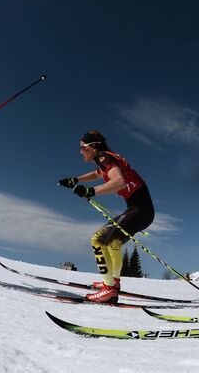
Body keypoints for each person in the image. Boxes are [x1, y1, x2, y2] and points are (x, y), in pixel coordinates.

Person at [57, 130, 155, 303]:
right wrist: (75, 180)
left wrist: (90, 191)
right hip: (140, 211)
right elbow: (97, 174)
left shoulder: (104, 157)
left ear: (94, 147)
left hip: (139, 210)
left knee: (98, 240)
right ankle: (113, 283)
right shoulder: (104, 160)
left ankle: (109, 289)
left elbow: (119, 181)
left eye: (83, 148)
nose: (81, 151)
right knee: (113, 244)